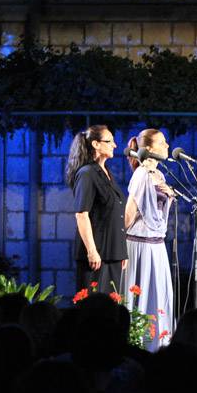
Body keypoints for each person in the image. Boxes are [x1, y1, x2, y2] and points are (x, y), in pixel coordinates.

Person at [123, 129, 176, 351]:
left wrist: (169, 193)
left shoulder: (159, 175)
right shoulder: (142, 174)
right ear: (150, 149)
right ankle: (138, 343)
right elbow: (128, 213)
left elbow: (159, 210)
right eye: (162, 142)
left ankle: (160, 342)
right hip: (140, 244)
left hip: (156, 244)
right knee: (141, 293)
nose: (167, 145)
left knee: (159, 293)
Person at [66, 124, 127, 295]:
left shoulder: (105, 172)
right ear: (96, 144)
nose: (114, 145)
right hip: (97, 255)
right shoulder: (87, 173)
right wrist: (92, 252)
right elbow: (81, 214)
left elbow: (114, 213)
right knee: (92, 307)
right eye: (109, 141)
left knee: (111, 308)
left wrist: (121, 251)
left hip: (112, 253)